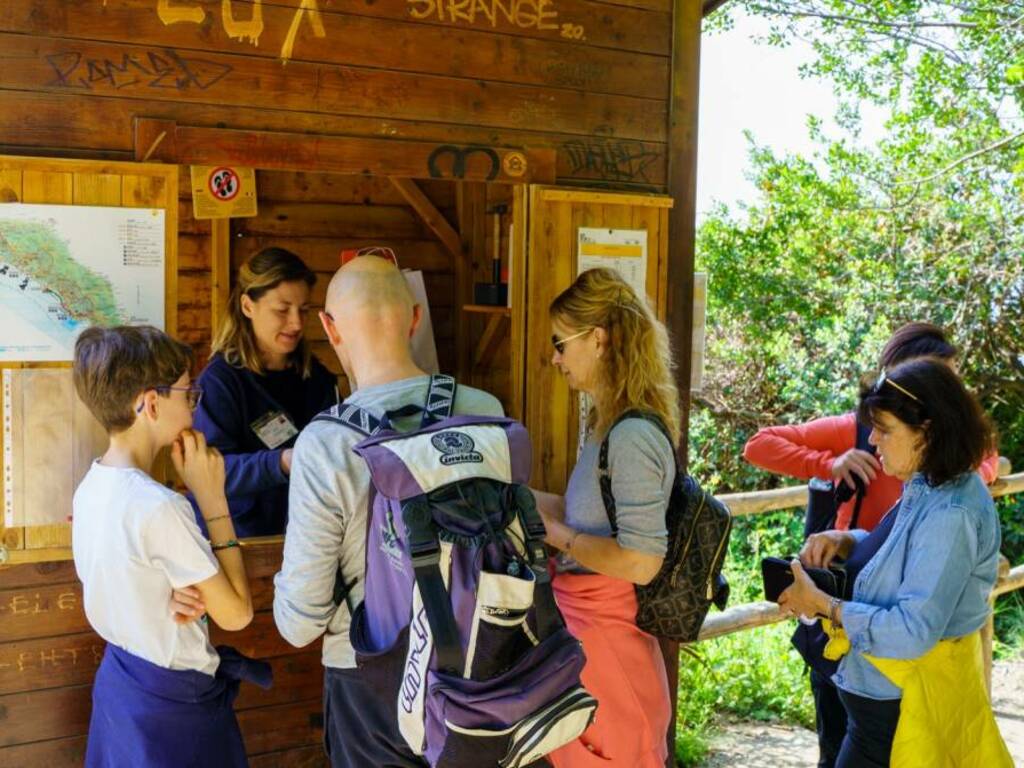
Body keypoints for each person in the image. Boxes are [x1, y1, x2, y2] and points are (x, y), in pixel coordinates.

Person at [272, 256, 504, 768]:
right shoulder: (484, 410)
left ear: (329, 329)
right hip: (482, 662)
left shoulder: (326, 444)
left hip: (369, 678)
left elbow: (299, 625)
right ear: (414, 318)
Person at [742, 321, 1000, 768]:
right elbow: (905, 555)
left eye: (883, 429)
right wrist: (846, 539)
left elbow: (913, 631)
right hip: (883, 707)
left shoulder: (950, 511)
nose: (873, 440)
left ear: (927, 429)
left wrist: (824, 604)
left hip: (905, 715)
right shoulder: (930, 483)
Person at [71, 325, 263, 768]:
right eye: (187, 393)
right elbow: (236, 615)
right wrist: (212, 498)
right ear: (151, 402)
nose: (194, 407)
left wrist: (167, 591)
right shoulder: (159, 506)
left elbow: (130, 581)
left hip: (123, 688)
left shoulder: (91, 487)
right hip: (173, 706)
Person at [531, 268, 675, 768]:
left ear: (597, 339)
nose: (555, 358)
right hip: (590, 648)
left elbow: (640, 560)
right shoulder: (608, 424)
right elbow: (589, 517)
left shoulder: (631, 435)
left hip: (612, 655)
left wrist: (557, 535)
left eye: (559, 343)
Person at [191, 247, 338, 537]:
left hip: (305, 536)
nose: (296, 323)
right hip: (238, 540)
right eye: (282, 310)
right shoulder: (220, 382)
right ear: (248, 306)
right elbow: (211, 472)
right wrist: (282, 462)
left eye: (304, 310)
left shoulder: (318, 378)